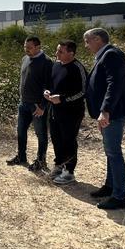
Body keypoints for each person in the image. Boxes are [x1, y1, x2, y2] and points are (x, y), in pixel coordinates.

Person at [83, 28, 125, 209]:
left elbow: (114, 84)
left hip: (113, 113)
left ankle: (119, 196)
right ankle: (110, 186)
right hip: (109, 112)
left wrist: (106, 110)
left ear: (98, 39)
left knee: (114, 152)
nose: (86, 45)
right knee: (110, 151)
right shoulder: (105, 55)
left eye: (88, 41)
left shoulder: (111, 55)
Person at [43, 40, 87, 185]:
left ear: (71, 53)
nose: (56, 54)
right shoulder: (56, 65)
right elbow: (50, 83)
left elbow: (83, 92)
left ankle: (69, 172)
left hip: (71, 112)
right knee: (56, 139)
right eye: (57, 50)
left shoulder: (77, 68)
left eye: (60, 51)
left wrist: (62, 99)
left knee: (68, 140)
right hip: (55, 110)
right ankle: (59, 165)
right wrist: (47, 92)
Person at [7, 36, 52, 170]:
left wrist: (43, 106)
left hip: (37, 106)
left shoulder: (47, 62)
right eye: (25, 47)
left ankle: (41, 161)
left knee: (41, 134)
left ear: (38, 47)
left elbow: (49, 86)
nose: (26, 50)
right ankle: (21, 157)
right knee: (21, 131)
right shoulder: (25, 59)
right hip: (23, 103)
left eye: (29, 47)